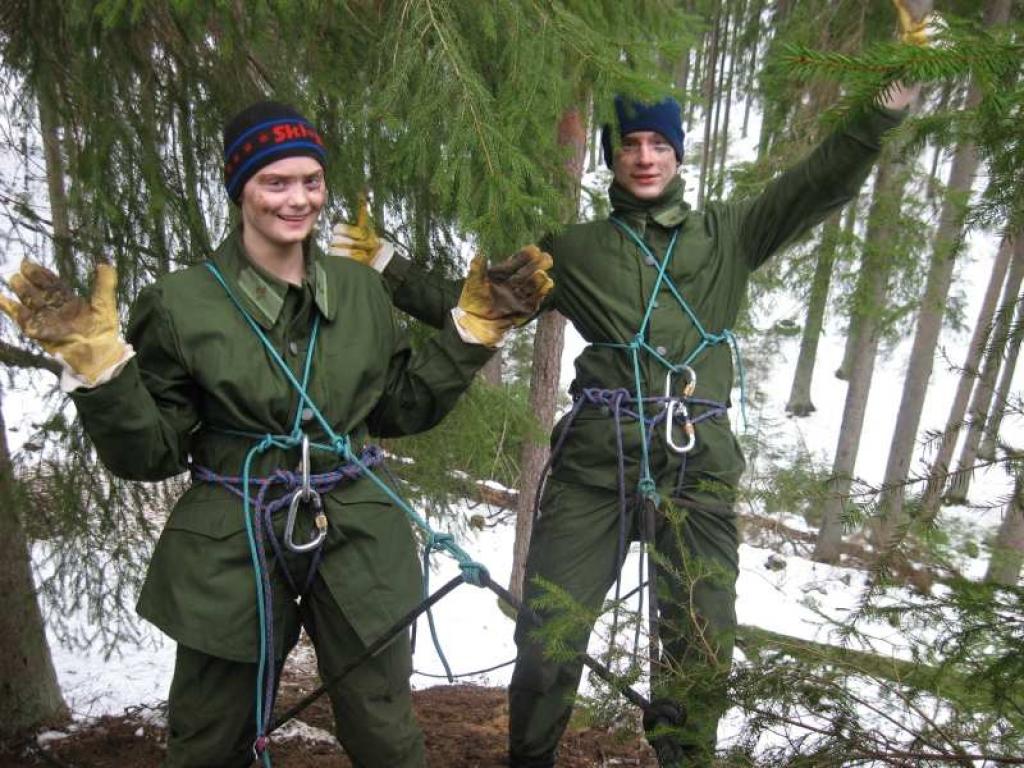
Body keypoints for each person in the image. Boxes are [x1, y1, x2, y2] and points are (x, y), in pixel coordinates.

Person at [331, 49, 924, 768]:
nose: (645, 157)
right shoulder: (575, 250)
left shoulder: (729, 235)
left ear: (678, 153)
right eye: (631, 145)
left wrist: (886, 101)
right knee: (548, 638)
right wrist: (387, 266)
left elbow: (819, 180)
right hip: (594, 466)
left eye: (659, 144)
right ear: (611, 158)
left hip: (697, 468)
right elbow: (483, 302)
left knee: (700, 642)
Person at [0, 101, 552, 768]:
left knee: (385, 729)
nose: (298, 200)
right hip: (231, 525)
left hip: (357, 519)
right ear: (241, 190)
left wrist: (469, 336)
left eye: (311, 181)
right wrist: (101, 374)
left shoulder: (360, 291)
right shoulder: (181, 303)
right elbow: (149, 453)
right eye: (276, 182)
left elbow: (401, 408)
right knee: (210, 734)